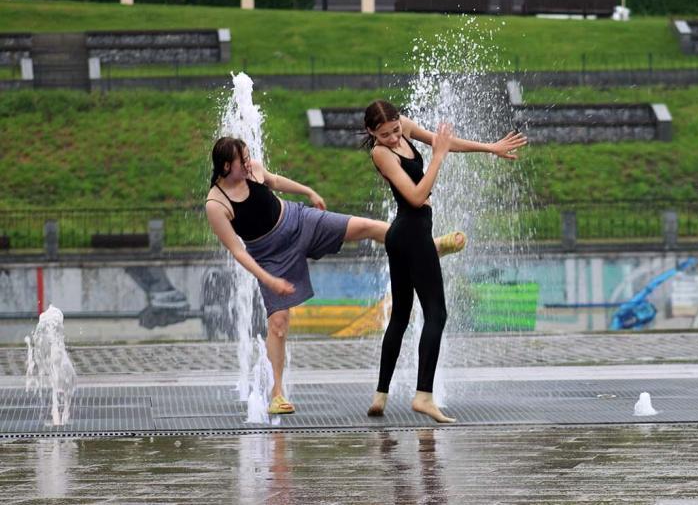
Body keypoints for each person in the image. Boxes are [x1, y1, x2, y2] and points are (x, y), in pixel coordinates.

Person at [204, 137, 465, 416]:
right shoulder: (216, 204)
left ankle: (427, 247)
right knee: (278, 323)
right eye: (241, 161)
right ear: (225, 166)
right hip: (270, 255)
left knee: (366, 226)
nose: (248, 163)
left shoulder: (253, 169)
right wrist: (269, 279)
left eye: (248, 157)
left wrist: (309, 192)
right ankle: (277, 393)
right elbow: (239, 252)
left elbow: (275, 181)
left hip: (298, 221)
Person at [362, 100, 527, 423]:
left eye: (396, 131)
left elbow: (445, 143)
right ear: (371, 132)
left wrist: (489, 148)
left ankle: (380, 396)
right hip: (410, 235)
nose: (394, 138)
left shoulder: (404, 128)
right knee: (436, 313)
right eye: (384, 135)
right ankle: (423, 396)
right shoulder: (380, 153)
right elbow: (416, 196)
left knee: (401, 315)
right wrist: (436, 158)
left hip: (403, 236)